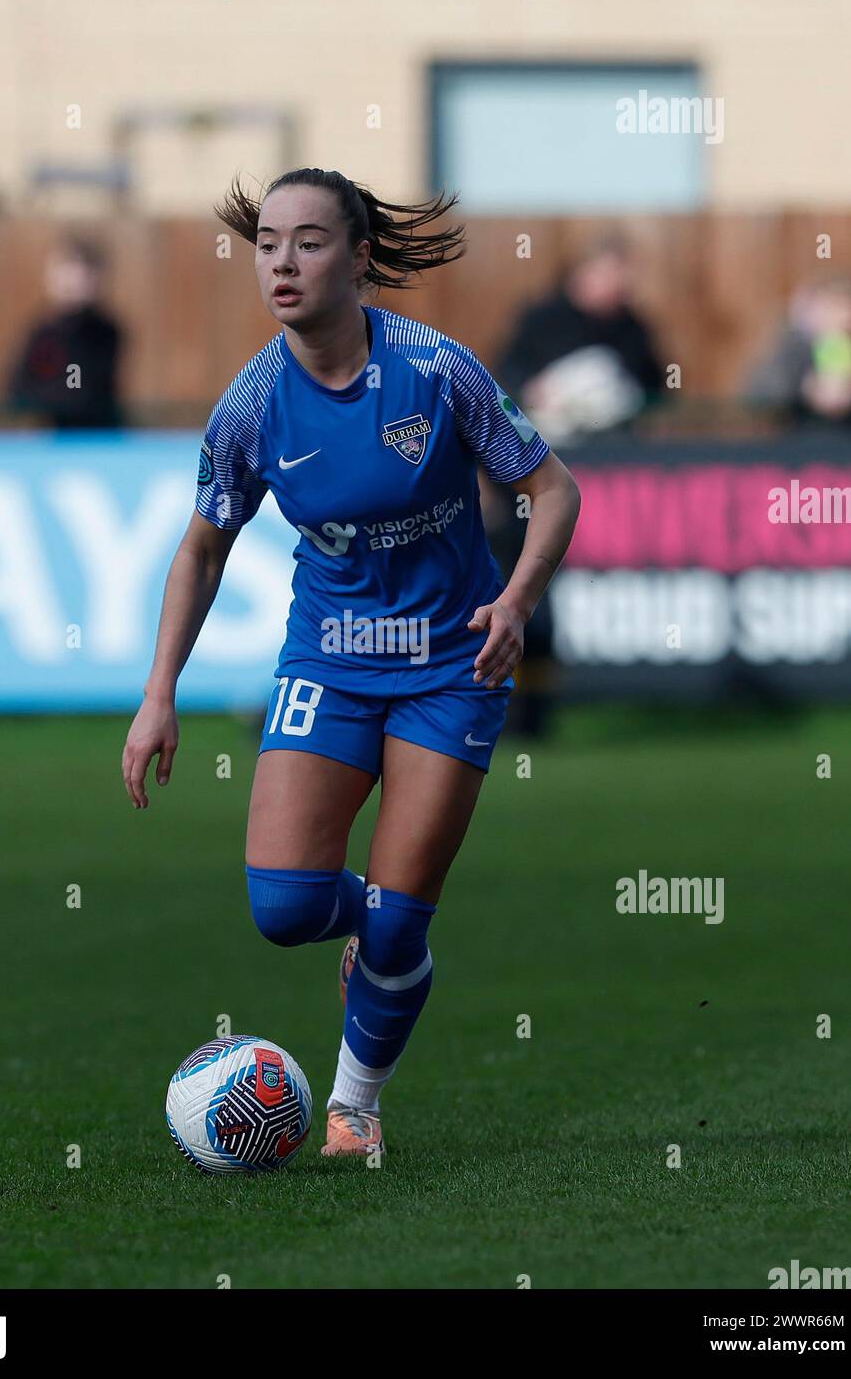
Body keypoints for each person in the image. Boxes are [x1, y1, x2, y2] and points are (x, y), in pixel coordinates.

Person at [121, 168, 581, 1160]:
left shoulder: (434, 370)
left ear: (360, 255)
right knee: (285, 909)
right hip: (326, 662)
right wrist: (157, 695)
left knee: (398, 921)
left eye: (309, 241)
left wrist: (517, 598)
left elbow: (553, 490)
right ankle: (375, 936)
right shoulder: (250, 408)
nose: (282, 262)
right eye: (268, 242)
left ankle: (351, 1108)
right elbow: (200, 548)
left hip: (452, 667)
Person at [495, 233, 664, 445]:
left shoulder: (632, 327)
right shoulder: (542, 317)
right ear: (583, 274)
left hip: (612, 442)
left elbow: (653, 384)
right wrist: (531, 389)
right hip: (551, 442)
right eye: (608, 275)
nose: (618, 284)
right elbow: (508, 369)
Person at [745, 273, 851, 429]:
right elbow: (757, 394)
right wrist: (804, 389)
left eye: (844, 307)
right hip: (800, 442)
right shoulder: (792, 351)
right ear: (807, 315)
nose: (836, 318)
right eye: (829, 308)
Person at [5, 234, 125, 429]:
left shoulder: (105, 333)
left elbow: (81, 388)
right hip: (55, 437)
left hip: (101, 436)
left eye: (82, 276)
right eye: (66, 273)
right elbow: (18, 391)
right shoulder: (42, 334)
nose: (74, 283)